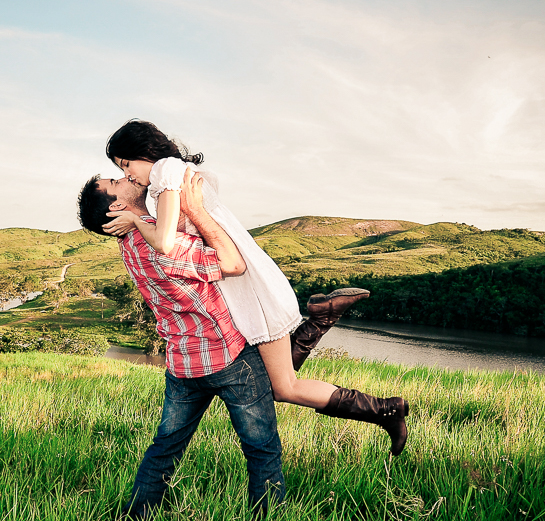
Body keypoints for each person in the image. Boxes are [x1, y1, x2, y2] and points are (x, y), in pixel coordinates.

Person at [101, 119, 408, 453]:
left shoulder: (165, 173)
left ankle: (384, 407)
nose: (127, 174)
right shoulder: (167, 178)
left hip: (243, 283)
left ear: (144, 151)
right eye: (120, 170)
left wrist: (135, 220)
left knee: (283, 386)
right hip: (233, 282)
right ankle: (323, 323)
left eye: (126, 165)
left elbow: (165, 241)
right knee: (275, 381)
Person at [78, 169, 285, 521]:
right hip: (228, 355)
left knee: (165, 448)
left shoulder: (130, 244)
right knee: (262, 449)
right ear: (116, 208)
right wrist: (197, 210)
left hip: (183, 363)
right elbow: (234, 264)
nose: (125, 177)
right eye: (115, 182)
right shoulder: (162, 243)